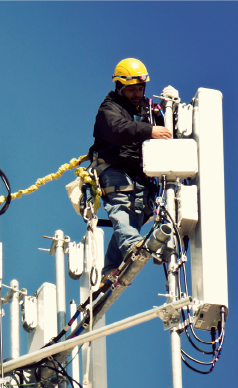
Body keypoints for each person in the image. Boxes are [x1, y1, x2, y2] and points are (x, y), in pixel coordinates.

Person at [89, 58, 172, 276]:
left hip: (138, 174)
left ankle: (110, 268)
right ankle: (131, 245)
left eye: (140, 88)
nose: (137, 94)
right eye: (131, 89)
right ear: (119, 88)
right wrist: (149, 131)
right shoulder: (109, 109)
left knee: (136, 215)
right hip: (114, 168)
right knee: (121, 206)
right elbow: (118, 128)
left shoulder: (148, 111)